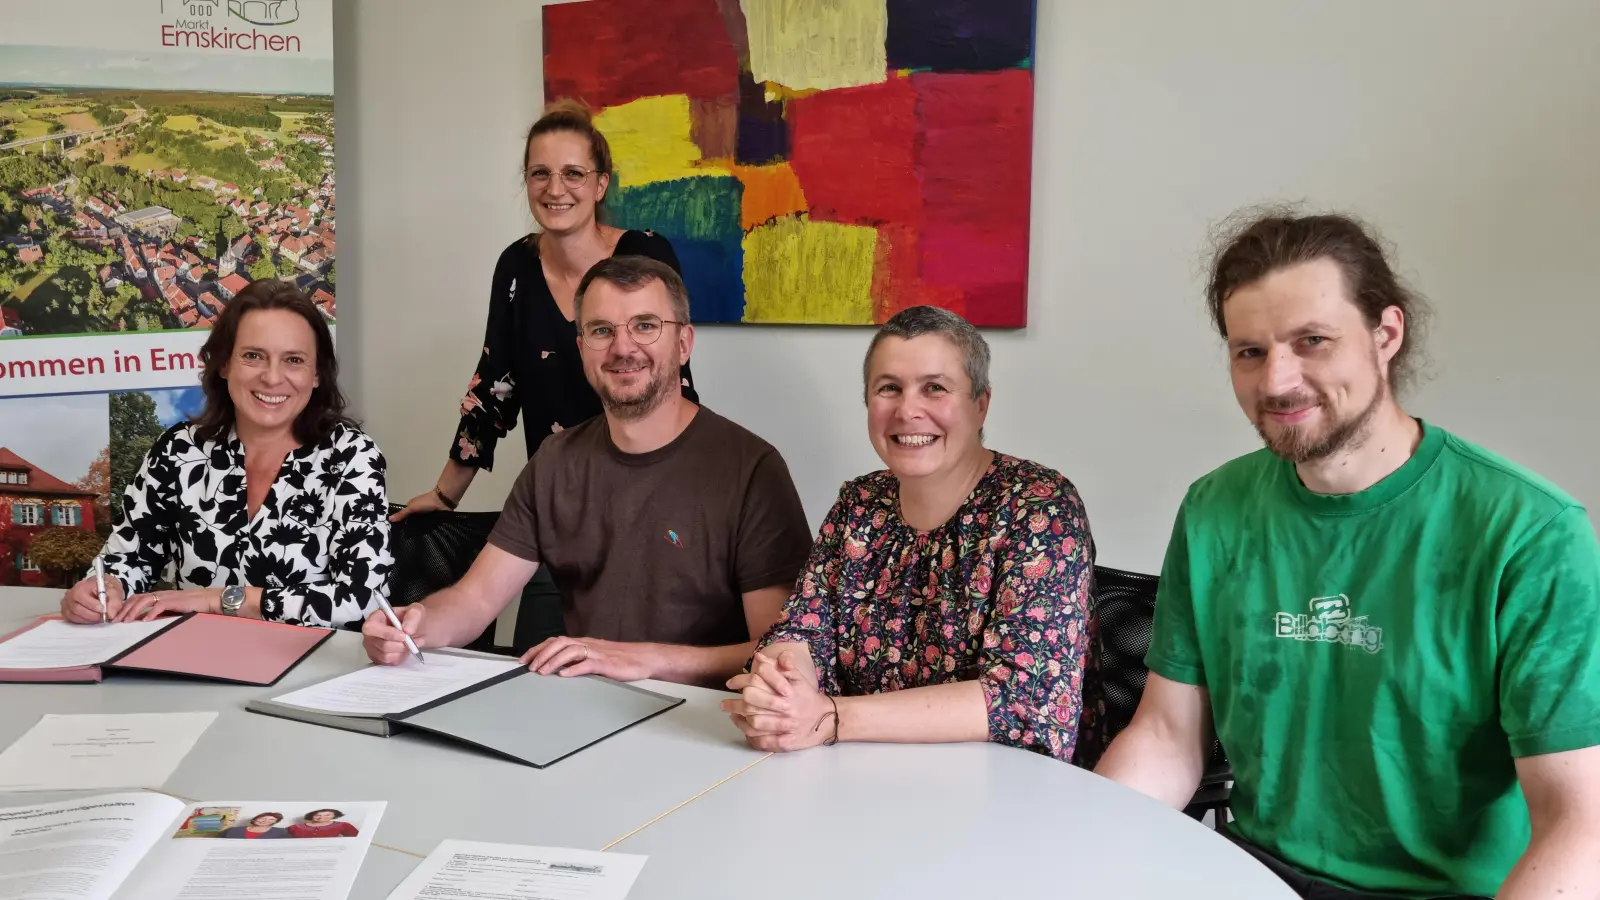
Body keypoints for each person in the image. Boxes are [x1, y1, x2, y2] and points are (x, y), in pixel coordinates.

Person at [1094, 209, 1600, 900]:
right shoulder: (1215, 509)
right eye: (1250, 352)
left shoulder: (1530, 532)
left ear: (1386, 334)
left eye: (1313, 341)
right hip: (1252, 873)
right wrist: (1076, 851)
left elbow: (1580, 823)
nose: (1276, 381)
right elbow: (1165, 738)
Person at [362, 256, 812, 688]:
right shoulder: (556, 461)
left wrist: (643, 660)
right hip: (584, 707)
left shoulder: (752, 470)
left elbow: (780, 653)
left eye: (645, 326)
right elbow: (476, 600)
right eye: (601, 330)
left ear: (683, 344)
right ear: (581, 348)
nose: (622, 347)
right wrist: (417, 623)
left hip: (707, 724)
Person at [722, 306, 1098, 763]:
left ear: (981, 404)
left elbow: (1021, 701)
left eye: (934, 388)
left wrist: (831, 718)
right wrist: (781, 690)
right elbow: (801, 630)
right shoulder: (860, 503)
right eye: (889, 389)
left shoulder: (1039, 507)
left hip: (1002, 793)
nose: (907, 410)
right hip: (859, 775)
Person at [391, 98, 700, 521]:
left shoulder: (646, 253)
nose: (555, 189)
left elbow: (674, 384)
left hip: (654, 497)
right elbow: (493, 391)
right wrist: (445, 496)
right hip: (559, 508)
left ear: (600, 184)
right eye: (541, 173)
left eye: (573, 173)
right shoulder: (516, 266)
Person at [58, 279, 393, 630]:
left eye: (294, 360)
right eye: (253, 356)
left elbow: (360, 599)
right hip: (194, 666)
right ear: (223, 365)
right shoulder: (178, 450)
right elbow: (126, 558)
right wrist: (104, 588)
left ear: (316, 375)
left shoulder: (352, 457)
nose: (272, 377)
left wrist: (215, 600)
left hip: (316, 670)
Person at [287, 809, 358, 838]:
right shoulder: (295, 827)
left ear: (334, 816)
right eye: (317, 815)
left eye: (327, 815)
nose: (321, 818)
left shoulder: (344, 825)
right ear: (312, 816)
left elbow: (358, 839)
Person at [219, 812, 289, 839]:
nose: (265, 821)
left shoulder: (281, 832)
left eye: (271, 820)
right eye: (262, 818)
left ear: (275, 822)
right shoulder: (233, 830)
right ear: (255, 819)